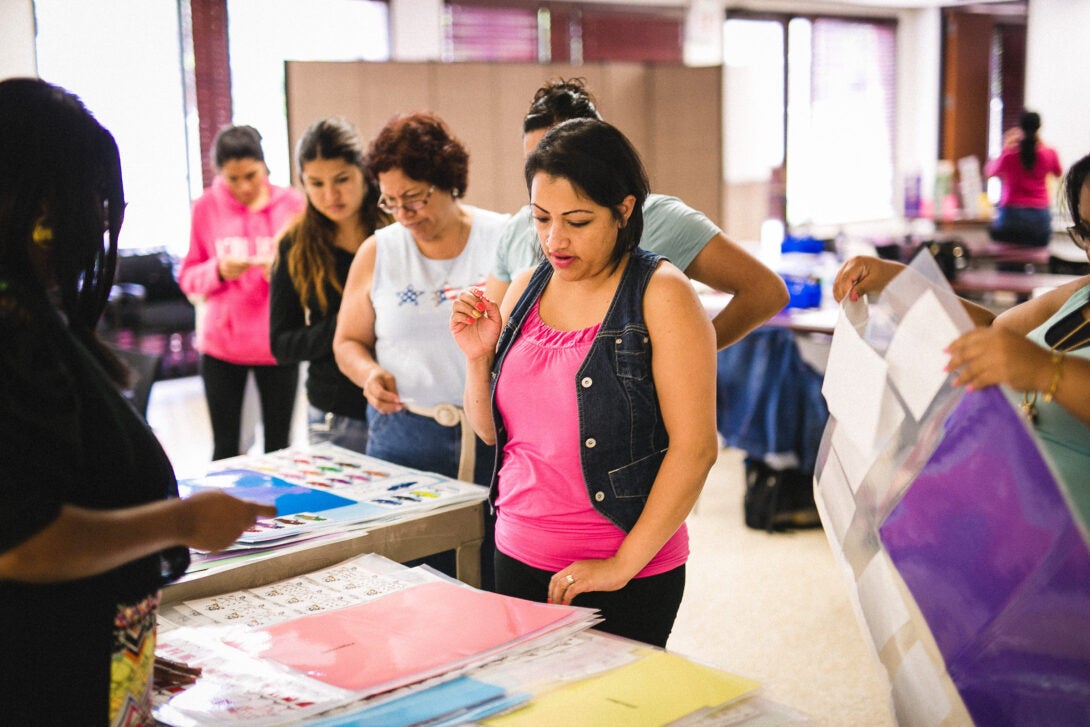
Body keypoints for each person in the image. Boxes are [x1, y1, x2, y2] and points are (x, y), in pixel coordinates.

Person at [0, 78, 277, 725]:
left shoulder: (37, 313)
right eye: (85, 201)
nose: (98, 221)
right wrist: (180, 522)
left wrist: (121, 649)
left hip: (78, 660)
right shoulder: (10, 332)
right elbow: (22, 539)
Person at [451, 118, 720, 647]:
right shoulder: (526, 287)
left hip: (624, 564)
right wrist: (478, 358)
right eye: (541, 218)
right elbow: (490, 434)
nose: (555, 240)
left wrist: (621, 564)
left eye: (576, 220)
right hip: (516, 549)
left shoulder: (662, 293)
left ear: (623, 210)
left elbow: (696, 450)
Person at [833, 150, 1090, 525]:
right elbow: (992, 333)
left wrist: (1045, 369)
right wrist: (894, 279)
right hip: (1012, 530)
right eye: (1087, 232)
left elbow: (1030, 361)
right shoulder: (1081, 296)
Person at [485, 78, 788, 348]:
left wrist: (688, 355)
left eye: (579, 221)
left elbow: (765, 290)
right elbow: (494, 346)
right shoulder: (516, 236)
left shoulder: (664, 221)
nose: (555, 241)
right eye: (536, 161)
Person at [334, 111, 508, 485]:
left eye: (413, 198)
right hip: (402, 431)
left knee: (493, 541)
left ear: (447, 182)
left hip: (494, 432)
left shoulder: (502, 238)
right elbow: (347, 341)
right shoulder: (378, 251)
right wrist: (369, 373)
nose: (403, 214)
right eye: (390, 201)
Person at [179, 124, 305, 460]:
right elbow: (188, 277)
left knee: (280, 448)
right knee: (226, 448)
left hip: (278, 342)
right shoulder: (205, 207)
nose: (244, 186)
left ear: (265, 165)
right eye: (232, 179)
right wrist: (217, 270)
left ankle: (279, 513)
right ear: (219, 173)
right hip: (222, 347)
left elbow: (311, 274)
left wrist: (282, 272)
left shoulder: (293, 204)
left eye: (251, 175)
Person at [270, 117, 391, 453]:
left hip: (400, 402)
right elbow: (281, 344)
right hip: (335, 412)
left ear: (364, 173)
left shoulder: (395, 232)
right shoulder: (294, 246)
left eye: (341, 179)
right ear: (302, 184)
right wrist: (347, 326)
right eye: (316, 184)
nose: (330, 195)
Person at [984, 110, 1062, 248]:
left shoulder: (1009, 155)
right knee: (1039, 261)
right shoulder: (1049, 153)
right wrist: (1041, 144)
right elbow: (1058, 172)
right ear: (1039, 127)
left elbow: (989, 171)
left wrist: (1005, 146)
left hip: (1011, 215)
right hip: (1040, 216)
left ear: (1020, 127)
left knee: (1007, 263)